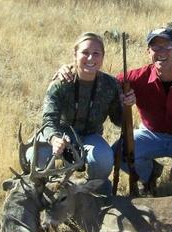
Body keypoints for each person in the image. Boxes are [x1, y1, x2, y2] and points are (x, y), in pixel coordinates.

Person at [57, 27, 172, 194]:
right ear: (148, 51)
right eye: (155, 46)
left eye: (167, 46)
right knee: (116, 154)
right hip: (150, 134)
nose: (161, 51)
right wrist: (71, 68)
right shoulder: (135, 78)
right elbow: (100, 78)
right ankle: (150, 176)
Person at [30, 32, 124, 195]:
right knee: (35, 154)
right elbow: (48, 119)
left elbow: (119, 120)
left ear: (102, 57)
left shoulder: (111, 84)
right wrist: (54, 139)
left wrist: (127, 105)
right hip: (60, 134)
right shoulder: (61, 82)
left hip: (89, 137)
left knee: (103, 158)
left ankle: (94, 195)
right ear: (75, 54)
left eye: (96, 53)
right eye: (85, 53)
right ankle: (43, 196)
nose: (90, 58)